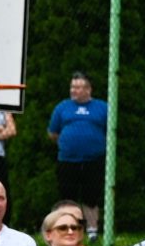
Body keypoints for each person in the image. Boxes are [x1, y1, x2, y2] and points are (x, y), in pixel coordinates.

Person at [45, 71, 109, 235]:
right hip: (67, 160)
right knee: (67, 197)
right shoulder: (62, 107)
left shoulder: (102, 107)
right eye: (72, 87)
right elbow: (53, 133)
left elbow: (111, 131)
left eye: (79, 87)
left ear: (89, 89)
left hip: (93, 160)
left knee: (91, 197)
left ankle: (92, 231)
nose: (74, 90)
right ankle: (68, 228)